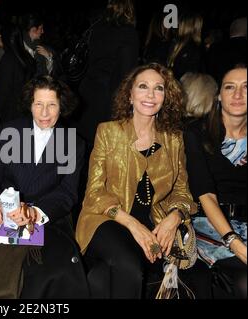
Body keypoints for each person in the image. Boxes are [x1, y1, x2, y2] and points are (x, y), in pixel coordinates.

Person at [76, 63, 211, 298]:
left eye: (159, 88)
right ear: (129, 95)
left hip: (155, 221)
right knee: (129, 265)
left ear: (166, 97)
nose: (150, 95)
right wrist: (133, 225)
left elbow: (182, 191)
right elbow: (94, 192)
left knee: (199, 276)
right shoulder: (108, 132)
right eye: (143, 86)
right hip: (108, 217)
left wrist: (174, 217)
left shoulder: (174, 139)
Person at [0, 75, 89, 299]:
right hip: (2, 214)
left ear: (61, 106)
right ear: (30, 104)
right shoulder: (7, 132)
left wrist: (36, 213)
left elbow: (67, 193)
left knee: (48, 273)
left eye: (52, 104)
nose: (44, 113)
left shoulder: (73, 142)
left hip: (48, 217)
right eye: (39, 104)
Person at [184, 64, 247, 298]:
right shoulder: (196, 133)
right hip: (208, 224)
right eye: (230, 87)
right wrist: (234, 242)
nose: (238, 95)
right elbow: (206, 194)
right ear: (219, 95)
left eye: (246, 87)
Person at [76, 0, 139, 149]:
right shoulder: (128, 34)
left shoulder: (96, 28)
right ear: (129, 10)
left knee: (86, 148)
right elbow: (127, 75)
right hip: (108, 99)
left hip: (86, 93)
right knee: (106, 151)